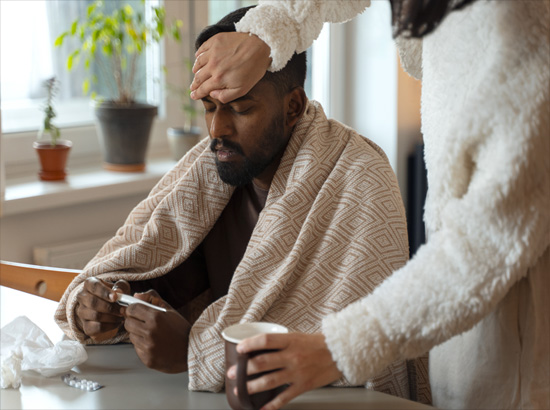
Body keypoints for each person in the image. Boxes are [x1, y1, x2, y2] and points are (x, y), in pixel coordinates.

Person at [190, 1, 550, 409]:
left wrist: (336, 349)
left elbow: (487, 247)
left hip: (519, 372)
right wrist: (271, 29)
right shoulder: (456, 29)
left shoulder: (519, 27)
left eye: (239, 108)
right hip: (460, 358)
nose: (217, 127)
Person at [54, 6, 426, 399]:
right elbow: (151, 270)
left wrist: (193, 350)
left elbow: (364, 354)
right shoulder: (206, 168)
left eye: (240, 108)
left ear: (293, 107)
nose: (217, 129)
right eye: (209, 107)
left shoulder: (360, 175)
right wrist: (103, 306)